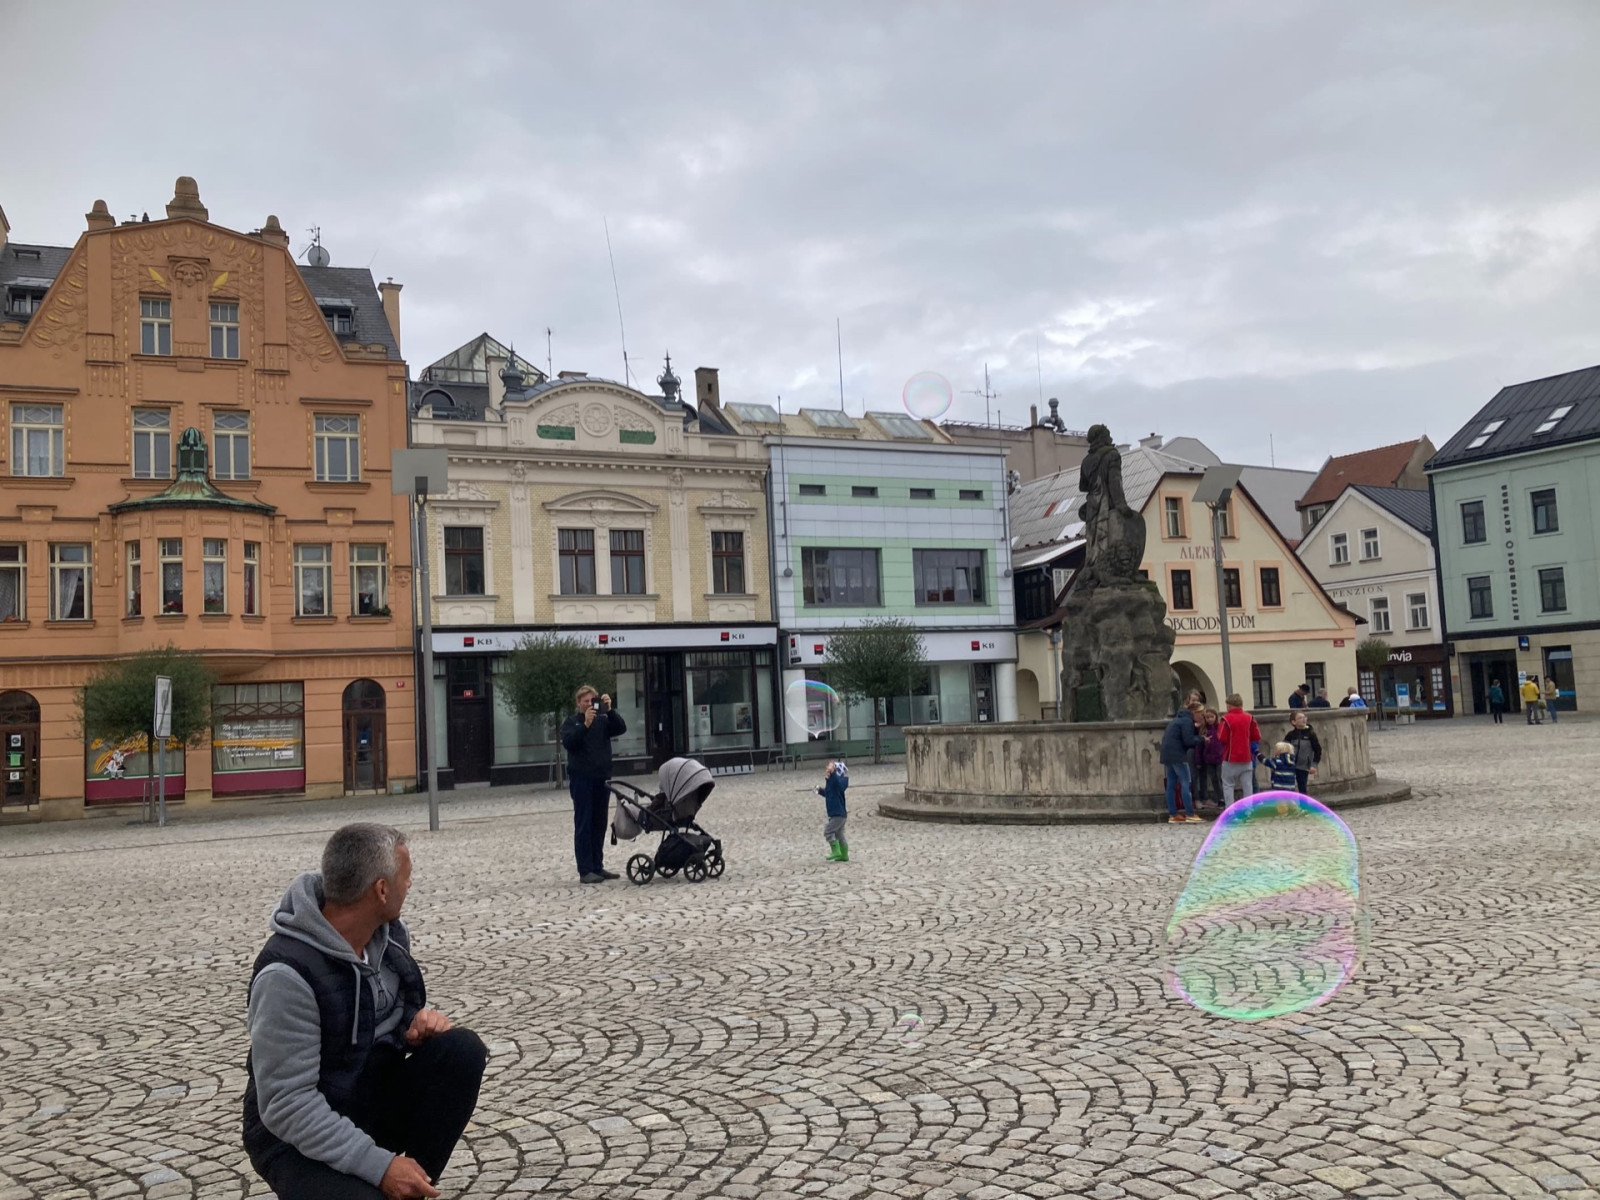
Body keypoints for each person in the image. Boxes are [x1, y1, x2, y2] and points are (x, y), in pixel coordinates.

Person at [243, 824, 487, 1200]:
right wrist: (379, 1166)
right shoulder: (286, 976)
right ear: (381, 889)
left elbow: (373, 1016)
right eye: (406, 877)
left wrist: (414, 1026)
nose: (410, 885)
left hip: (367, 1099)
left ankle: (413, 1187)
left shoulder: (388, 937)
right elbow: (286, 1105)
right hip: (292, 1138)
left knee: (462, 1051)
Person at [560, 684, 628, 883]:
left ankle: (598, 866)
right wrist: (585, 724)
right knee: (584, 823)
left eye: (593, 700)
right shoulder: (571, 722)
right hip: (582, 779)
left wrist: (610, 711)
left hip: (601, 778)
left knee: (599, 823)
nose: (589, 704)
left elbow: (621, 728)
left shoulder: (603, 720)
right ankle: (585, 870)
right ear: (578, 703)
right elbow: (569, 742)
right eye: (586, 701)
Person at [1160, 701, 1204, 824]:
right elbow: (1188, 741)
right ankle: (1190, 813)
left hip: (1167, 754)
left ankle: (1173, 814)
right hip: (1178, 756)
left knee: (1171, 785)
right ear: (1194, 712)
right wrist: (1201, 739)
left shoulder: (1177, 719)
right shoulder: (1187, 721)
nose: (1202, 716)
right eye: (1200, 713)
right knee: (1186, 783)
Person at [1217, 693, 1262, 805]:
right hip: (1246, 757)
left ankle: (1230, 810)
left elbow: (1221, 737)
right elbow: (1256, 736)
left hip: (1230, 757)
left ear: (1229, 705)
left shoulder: (1225, 719)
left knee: (1228, 785)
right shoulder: (1250, 718)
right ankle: (1248, 810)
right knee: (1247, 786)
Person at [817, 760, 850, 861]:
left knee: (828, 831)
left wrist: (833, 773)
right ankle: (844, 854)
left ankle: (835, 850)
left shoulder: (839, 781)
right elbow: (829, 794)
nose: (827, 768)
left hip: (838, 813)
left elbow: (838, 785)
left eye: (830, 767)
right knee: (839, 833)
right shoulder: (832, 781)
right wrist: (820, 791)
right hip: (836, 813)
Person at [1284, 710, 1323, 795]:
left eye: (1304, 717)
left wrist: (1314, 765)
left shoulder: (1311, 734)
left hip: (1304, 766)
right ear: (1293, 722)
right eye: (1300, 718)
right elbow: (1284, 749)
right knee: (1289, 788)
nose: (1304, 719)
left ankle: (1303, 803)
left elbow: (1318, 750)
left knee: (1302, 788)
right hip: (1291, 765)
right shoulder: (1291, 735)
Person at [1194, 707, 1224, 811]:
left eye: (1212, 717)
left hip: (1220, 758)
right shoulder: (1204, 730)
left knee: (1220, 778)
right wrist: (1198, 761)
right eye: (1207, 717)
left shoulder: (1220, 728)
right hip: (1209, 759)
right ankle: (1219, 798)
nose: (1210, 719)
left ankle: (1224, 798)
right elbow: (1199, 747)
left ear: (1216, 717)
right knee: (1214, 779)